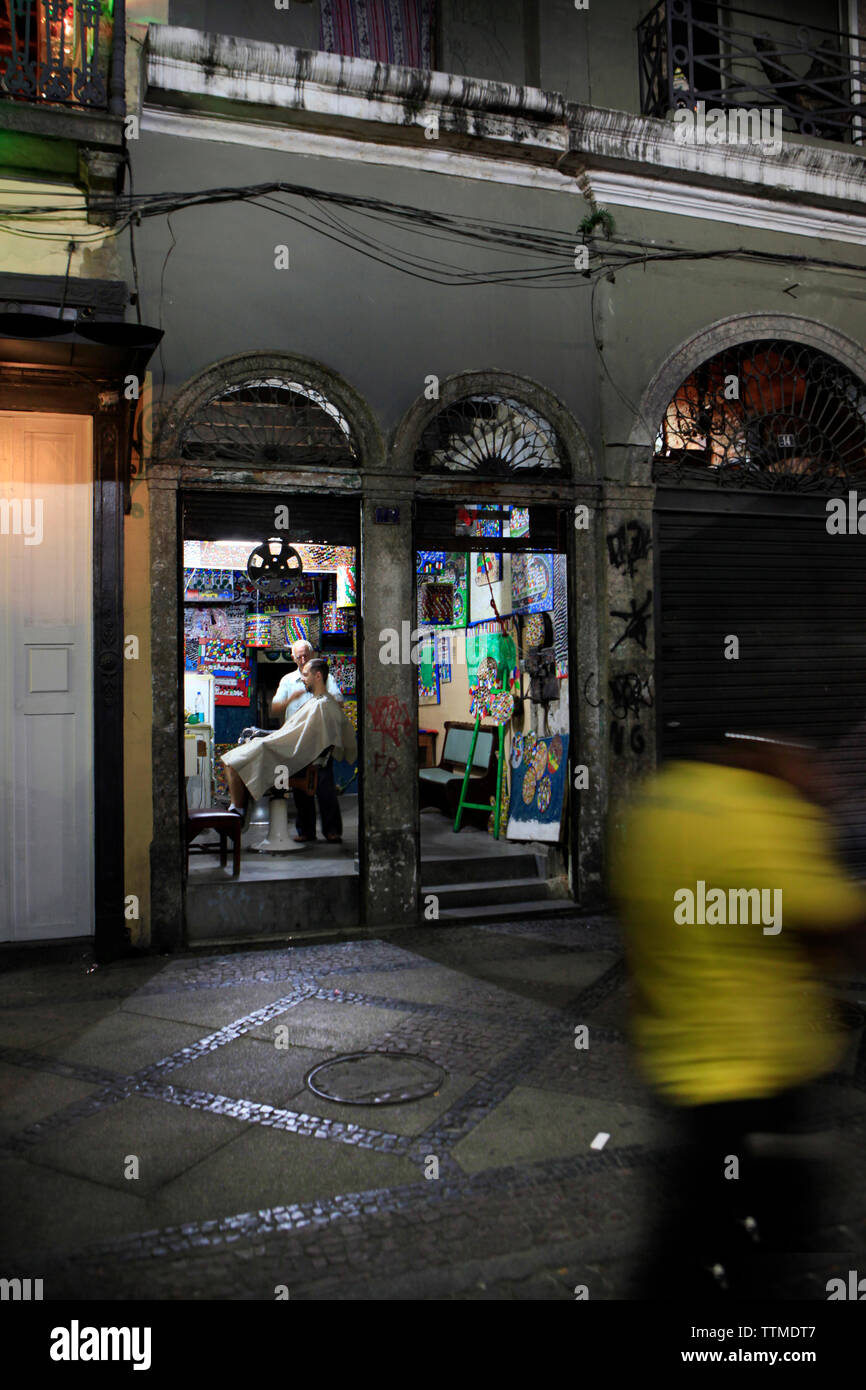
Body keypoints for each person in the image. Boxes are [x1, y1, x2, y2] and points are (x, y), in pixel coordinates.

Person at [611, 731, 866, 1299]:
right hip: (759, 1083)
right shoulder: (756, 814)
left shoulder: (658, 806)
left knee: (688, 1236)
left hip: (679, 1076)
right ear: (763, 756)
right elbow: (835, 923)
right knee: (765, 1246)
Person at [222, 659, 356, 828]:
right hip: (297, 753)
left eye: (306, 675)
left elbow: (300, 739)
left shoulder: (322, 705)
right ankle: (238, 812)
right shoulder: (319, 701)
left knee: (233, 762)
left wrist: (268, 739)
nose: (304, 679)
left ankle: (237, 813)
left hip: (295, 758)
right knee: (241, 758)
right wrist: (266, 735)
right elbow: (294, 731)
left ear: (318, 676)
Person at [271, 641, 346, 843]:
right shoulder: (288, 680)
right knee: (301, 788)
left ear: (312, 653)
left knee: (325, 786)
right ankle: (306, 831)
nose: (303, 660)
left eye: (306, 655)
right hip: (295, 741)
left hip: (320, 741)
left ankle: (332, 831)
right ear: (293, 658)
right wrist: (292, 697)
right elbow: (275, 708)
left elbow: (339, 701)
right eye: (299, 657)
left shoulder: (325, 678)